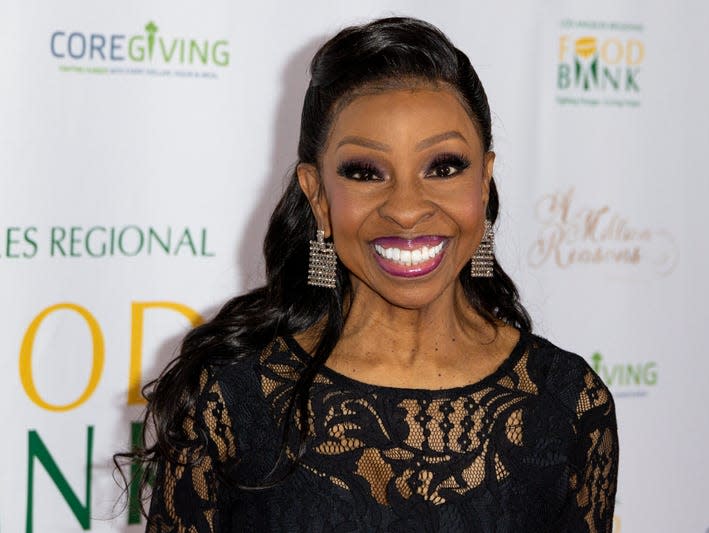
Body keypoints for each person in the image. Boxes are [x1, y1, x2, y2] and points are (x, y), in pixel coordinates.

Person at [129, 16, 618, 532]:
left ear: (484, 181)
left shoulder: (567, 404)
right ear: (317, 197)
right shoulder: (233, 400)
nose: (406, 209)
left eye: (444, 167)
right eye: (365, 172)